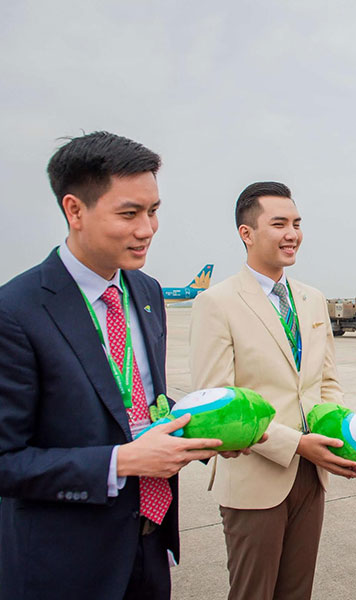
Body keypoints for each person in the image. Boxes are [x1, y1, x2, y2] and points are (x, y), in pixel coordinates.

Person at [0, 131, 223, 600]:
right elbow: (6, 460)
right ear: (74, 210)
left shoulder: (146, 293)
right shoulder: (16, 311)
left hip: (150, 544)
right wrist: (121, 462)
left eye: (153, 211)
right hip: (67, 566)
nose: (147, 229)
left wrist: (210, 428)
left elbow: (138, 406)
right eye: (129, 214)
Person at [190, 181, 356, 600]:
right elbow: (217, 404)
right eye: (280, 224)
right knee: (254, 592)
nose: (292, 234)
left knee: (296, 592)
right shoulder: (218, 303)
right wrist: (296, 443)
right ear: (246, 233)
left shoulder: (311, 298)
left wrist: (343, 436)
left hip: (312, 475)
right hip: (256, 475)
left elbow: (327, 383)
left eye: (297, 223)